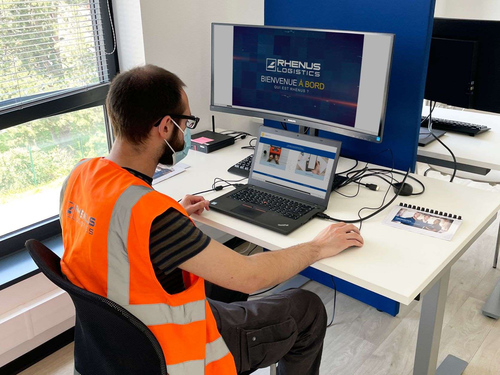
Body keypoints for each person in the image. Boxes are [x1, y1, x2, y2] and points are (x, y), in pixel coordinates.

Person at [59, 65, 364, 375]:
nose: (188, 129)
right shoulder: (155, 217)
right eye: (187, 121)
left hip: (113, 346)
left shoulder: (80, 176)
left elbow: (111, 237)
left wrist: (172, 214)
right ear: (165, 127)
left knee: (225, 286)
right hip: (172, 352)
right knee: (306, 308)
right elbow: (250, 277)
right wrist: (317, 246)